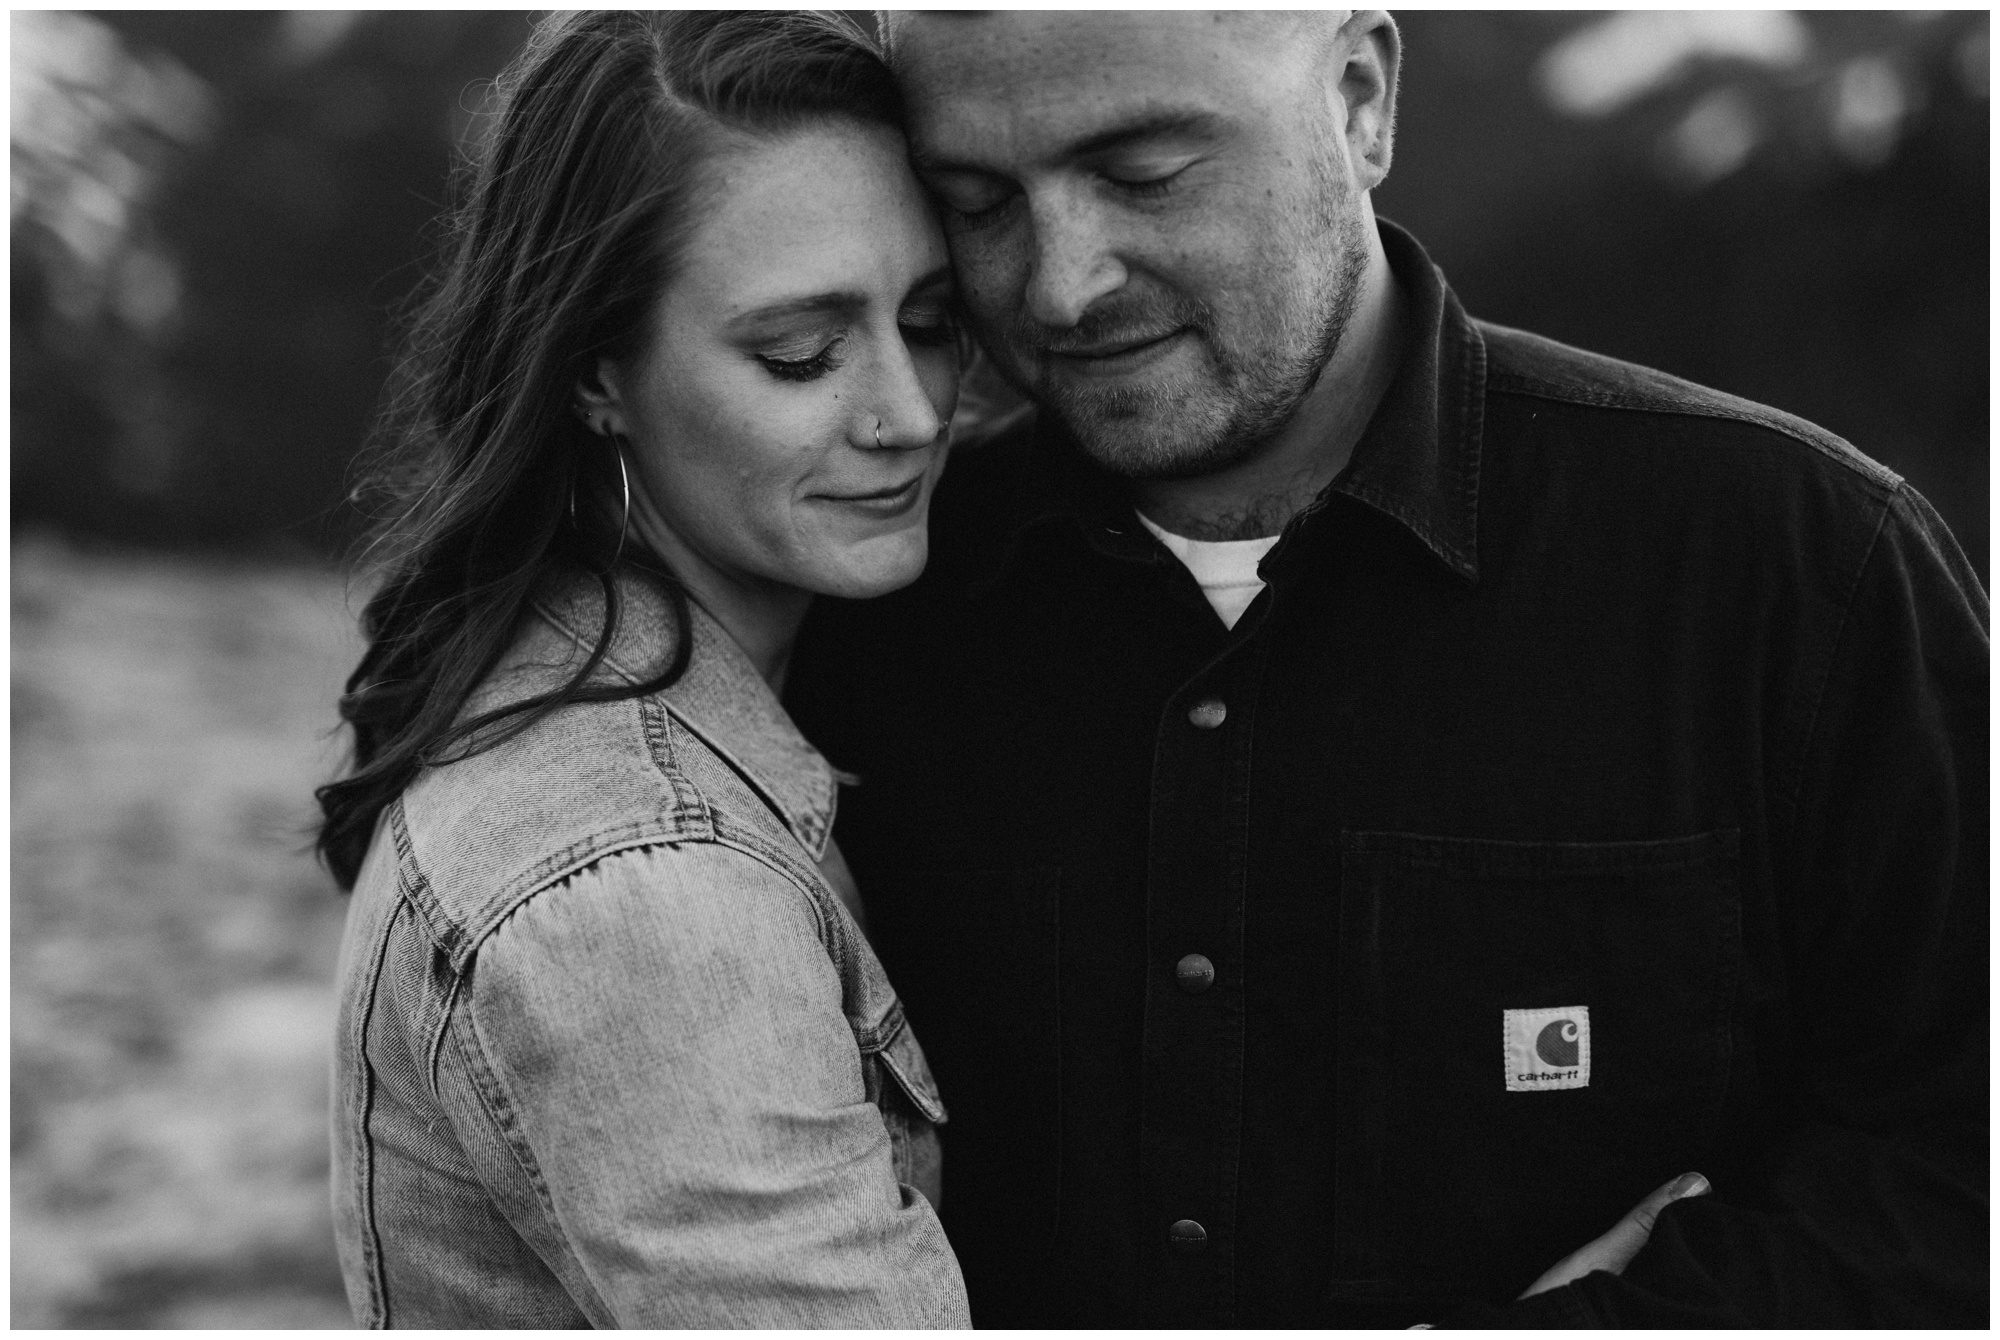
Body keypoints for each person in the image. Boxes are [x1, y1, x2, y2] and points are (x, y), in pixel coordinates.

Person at [787, 9, 1987, 1327]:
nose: (1060, 283)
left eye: (1142, 175)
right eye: (978, 203)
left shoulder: (1796, 567)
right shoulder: (856, 613)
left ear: (1360, 100)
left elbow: (1954, 1182)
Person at [316, 11, 968, 1327]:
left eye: (933, 321)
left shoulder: (676, 708)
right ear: (600, 373)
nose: (906, 413)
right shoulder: (641, 889)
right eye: (800, 353)